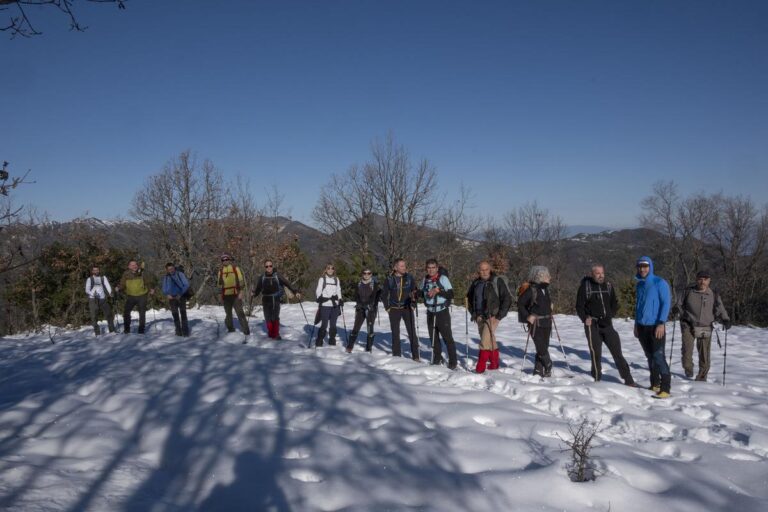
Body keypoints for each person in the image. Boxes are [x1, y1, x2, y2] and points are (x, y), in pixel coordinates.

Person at [576, 264, 637, 386]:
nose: (601, 275)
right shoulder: (585, 286)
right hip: (592, 325)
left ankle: (628, 378)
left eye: (602, 273)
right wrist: (585, 318)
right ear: (592, 274)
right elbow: (579, 306)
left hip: (607, 325)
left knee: (617, 352)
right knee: (595, 353)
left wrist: (610, 315)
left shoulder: (608, 286)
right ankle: (597, 377)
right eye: (598, 273)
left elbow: (614, 302)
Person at [673, 270, 731, 381]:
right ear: (696, 279)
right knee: (686, 350)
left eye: (705, 279)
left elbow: (720, 308)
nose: (702, 281)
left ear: (709, 281)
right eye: (700, 279)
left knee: (704, 353)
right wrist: (676, 309)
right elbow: (679, 304)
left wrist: (725, 319)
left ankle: (702, 377)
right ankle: (688, 368)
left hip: (706, 326)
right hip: (688, 324)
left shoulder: (713, 294)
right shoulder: (688, 291)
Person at [634, 256, 672, 398]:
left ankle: (666, 388)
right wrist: (636, 324)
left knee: (658, 356)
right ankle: (654, 383)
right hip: (642, 326)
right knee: (650, 356)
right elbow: (637, 306)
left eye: (645, 266)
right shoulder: (640, 285)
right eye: (640, 266)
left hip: (656, 326)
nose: (643, 269)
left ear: (650, 267)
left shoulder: (659, 283)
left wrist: (661, 323)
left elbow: (666, 303)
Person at [466, 261, 512, 373]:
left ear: (490, 269)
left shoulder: (497, 281)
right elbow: (469, 298)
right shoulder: (476, 283)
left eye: (486, 269)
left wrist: (499, 316)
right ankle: (494, 364)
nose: (484, 272)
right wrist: (473, 313)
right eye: (482, 270)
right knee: (490, 340)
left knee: (484, 341)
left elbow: (507, 299)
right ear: (478, 271)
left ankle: (480, 367)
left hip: (493, 316)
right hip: (479, 317)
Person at [419, 259, 458, 369]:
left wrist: (438, 291)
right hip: (430, 311)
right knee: (433, 338)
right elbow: (422, 292)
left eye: (433, 267)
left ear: (437, 268)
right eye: (429, 268)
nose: (431, 270)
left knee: (447, 338)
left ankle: (453, 361)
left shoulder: (443, 279)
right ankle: (437, 358)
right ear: (426, 269)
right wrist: (415, 294)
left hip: (442, 312)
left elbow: (451, 294)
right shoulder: (425, 279)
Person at [518, 266, 554, 377]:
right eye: (547, 276)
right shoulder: (531, 289)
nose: (550, 277)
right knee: (541, 347)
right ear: (540, 277)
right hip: (535, 324)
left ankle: (538, 370)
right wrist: (527, 316)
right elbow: (520, 303)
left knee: (544, 346)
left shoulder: (546, 289)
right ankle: (548, 363)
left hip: (547, 322)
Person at [252, 259, 301, 340]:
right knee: (267, 318)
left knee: (274, 317)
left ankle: (276, 334)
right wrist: (254, 294)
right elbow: (258, 289)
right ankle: (271, 333)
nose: (269, 267)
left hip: (275, 299)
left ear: (272, 266)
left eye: (270, 266)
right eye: (267, 266)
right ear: (265, 267)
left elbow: (287, 283)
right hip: (265, 299)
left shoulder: (277, 276)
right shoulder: (262, 277)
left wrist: (295, 292)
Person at [381, 258, 420, 360]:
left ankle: (416, 356)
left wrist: (413, 304)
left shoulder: (409, 278)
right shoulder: (389, 279)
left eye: (404, 265)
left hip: (407, 308)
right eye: (402, 266)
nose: (404, 268)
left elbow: (415, 292)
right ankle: (397, 356)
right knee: (395, 333)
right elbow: (384, 294)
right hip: (394, 309)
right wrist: (387, 307)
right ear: (395, 267)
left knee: (412, 333)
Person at [346, 267, 381, 353]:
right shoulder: (358, 283)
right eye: (364, 273)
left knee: (370, 328)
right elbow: (356, 295)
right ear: (362, 274)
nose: (366, 275)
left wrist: (370, 304)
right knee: (356, 327)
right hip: (360, 308)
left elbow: (374, 296)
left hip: (370, 308)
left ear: (371, 274)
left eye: (368, 273)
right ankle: (350, 346)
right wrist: (359, 303)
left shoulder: (374, 284)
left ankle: (369, 348)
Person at [117, 260, 156, 334]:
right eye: (132, 265)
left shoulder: (142, 273)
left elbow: (147, 282)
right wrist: (119, 288)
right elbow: (122, 284)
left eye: (135, 264)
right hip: (131, 296)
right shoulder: (126, 274)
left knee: (142, 313)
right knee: (126, 312)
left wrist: (151, 289)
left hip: (142, 295)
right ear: (129, 266)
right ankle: (127, 330)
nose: (134, 266)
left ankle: (141, 330)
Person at [217, 253, 250, 335]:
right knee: (228, 314)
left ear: (229, 260)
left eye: (226, 259)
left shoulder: (235, 268)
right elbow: (219, 285)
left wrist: (241, 292)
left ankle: (246, 331)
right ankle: (231, 329)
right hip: (225, 296)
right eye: (223, 260)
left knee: (240, 313)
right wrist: (219, 295)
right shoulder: (220, 271)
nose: (225, 261)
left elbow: (241, 280)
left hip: (236, 294)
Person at [315, 263, 343, 346]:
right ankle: (319, 340)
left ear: (334, 270)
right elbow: (318, 290)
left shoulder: (336, 279)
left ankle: (332, 339)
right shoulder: (322, 279)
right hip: (325, 304)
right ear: (325, 269)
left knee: (333, 324)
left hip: (335, 305)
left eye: (332, 268)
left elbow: (338, 290)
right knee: (324, 324)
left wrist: (340, 299)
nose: (330, 270)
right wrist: (319, 297)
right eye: (328, 268)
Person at [85, 265, 115, 336]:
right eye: (94, 270)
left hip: (103, 299)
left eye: (97, 270)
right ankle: (97, 333)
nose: (96, 271)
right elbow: (87, 290)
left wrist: (110, 292)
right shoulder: (89, 279)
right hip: (93, 299)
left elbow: (107, 286)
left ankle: (112, 331)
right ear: (92, 271)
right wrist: (92, 293)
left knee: (109, 314)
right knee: (94, 316)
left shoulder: (103, 278)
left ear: (99, 270)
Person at [162, 263, 190, 336]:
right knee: (175, 314)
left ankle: (185, 331)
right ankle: (178, 330)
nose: (171, 270)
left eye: (172, 268)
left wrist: (180, 294)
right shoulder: (166, 277)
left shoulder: (179, 274)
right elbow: (164, 288)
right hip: (171, 297)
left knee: (183, 313)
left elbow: (186, 284)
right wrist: (167, 294)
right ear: (167, 270)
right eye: (169, 269)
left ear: (174, 267)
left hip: (181, 296)